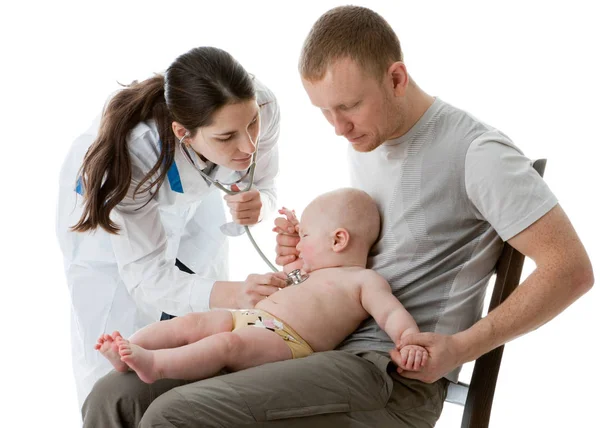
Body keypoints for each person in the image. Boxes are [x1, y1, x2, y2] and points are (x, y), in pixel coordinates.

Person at [82, 6, 594, 428]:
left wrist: (459, 346)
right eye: (324, 111)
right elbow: (366, 253)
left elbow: (570, 270)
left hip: (388, 376)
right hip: (312, 347)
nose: (337, 128)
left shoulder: (477, 153)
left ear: (396, 78)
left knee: (176, 416)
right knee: (116, 397)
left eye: (347, 107)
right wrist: (306, 254)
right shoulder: (369, 138)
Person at [56, 46, 287, 407]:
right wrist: (237, 294)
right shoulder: (132, 156)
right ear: (184, 132)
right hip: (112, 209)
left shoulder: (261, 106)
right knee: (117, 342)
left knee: (205, 319)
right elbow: (146, 279)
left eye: (252, 125)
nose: (249, 146)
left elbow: (266, 184)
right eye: (227, 138)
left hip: (193, 190)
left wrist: (259, 204)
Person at [95, 188, 428, 384]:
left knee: (227, 344)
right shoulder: (310, 270)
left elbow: (390, 313)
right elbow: (291, 269)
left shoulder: (363, 280)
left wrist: (409, 339)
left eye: (305, 237)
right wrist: (290, 234)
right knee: (194, 321)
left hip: (287, 342)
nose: (298, 245)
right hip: (250, 317)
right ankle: (131, 346)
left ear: (338, 239)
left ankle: (156, 366)